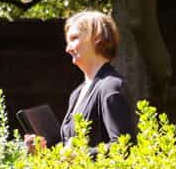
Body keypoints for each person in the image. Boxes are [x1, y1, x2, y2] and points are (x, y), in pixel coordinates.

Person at [25, 10, 136, 156]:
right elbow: (68, 150)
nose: (68, 49)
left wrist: (79, 155)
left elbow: (123, 148)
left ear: (97, 36)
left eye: (74, 38)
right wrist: (42, 151)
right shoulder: (77, 93)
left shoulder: (111, 87)